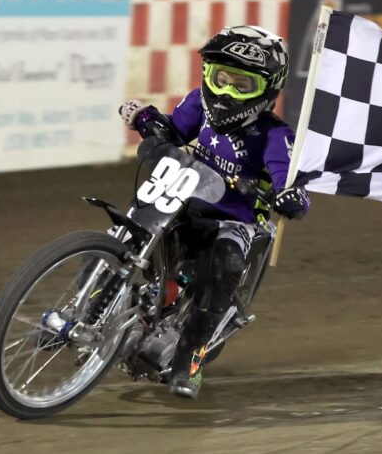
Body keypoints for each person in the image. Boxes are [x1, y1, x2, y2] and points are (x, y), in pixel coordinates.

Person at [119, 26, 310, 399]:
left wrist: (291, 195)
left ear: (267, 91)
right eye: (220, 79)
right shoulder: (198, 104)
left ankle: (189, 362)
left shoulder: (276, 136)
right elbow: (172, 132)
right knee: (127, 229)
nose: (226, 92)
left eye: (242, 85)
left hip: (233, 220)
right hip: (182, 194)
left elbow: (290, 181)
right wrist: (146, 119)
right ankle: (88, 303)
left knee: (225, 269)